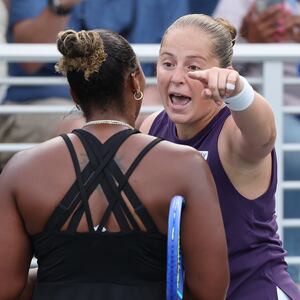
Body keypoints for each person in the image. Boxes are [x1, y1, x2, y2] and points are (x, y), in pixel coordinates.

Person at [0, 28, 229, 300]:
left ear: (74, 94)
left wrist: (59, 276)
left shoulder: (21, 170)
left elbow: (7, 289)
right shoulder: (185, 166)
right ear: (135, 82)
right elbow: (210, 291)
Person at [140, 13, 300, 299]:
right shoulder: (151, 127)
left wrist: (238, 91)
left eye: (193, 67)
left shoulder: (233, 132)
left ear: (222, 73)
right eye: (167, 63)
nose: (177, 77)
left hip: (254, 289)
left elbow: (263, 134)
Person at [0, 0, 189, 170]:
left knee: (157, 122)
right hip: (40, 103)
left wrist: (144, 111)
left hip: (134, 98)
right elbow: (28, 62)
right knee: (92, 131)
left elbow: (172, 65)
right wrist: (61, 6)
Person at [213, 0, 300, 283]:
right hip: (270, 108)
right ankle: (293, 273)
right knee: (290, 151)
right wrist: (250, 38)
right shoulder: (238, 4)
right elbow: (211, 57)